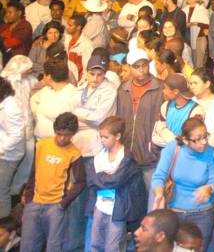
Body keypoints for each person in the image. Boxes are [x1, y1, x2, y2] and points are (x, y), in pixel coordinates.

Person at [150, 117, 214, 251]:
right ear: (185, 140)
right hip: (175, 214)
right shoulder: (173, 148)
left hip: (202, 215)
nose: (204, 142)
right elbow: (159, 176)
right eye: (197, 139)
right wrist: (159, 194)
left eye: (205, 136)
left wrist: (209, 188)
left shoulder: (211, 153)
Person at [20, 112, 85, 252]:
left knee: (54, 247)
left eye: (67, 135)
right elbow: (33, 172)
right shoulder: (42, 145)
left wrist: (63, 203)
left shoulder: (74, 153)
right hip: (34, 201)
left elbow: (81, 182)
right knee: (27, 246)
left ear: (73, 134)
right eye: (59, 134)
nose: (62, 138)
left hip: (56, 206)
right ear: (55, 130)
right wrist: (28, 196)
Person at [84, 115, 146, 252]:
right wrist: (108, 176)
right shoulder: (99, 156)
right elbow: (91, 180)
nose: (102, 140)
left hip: (117, 210)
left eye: (106, 137)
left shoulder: (127, 157)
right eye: (101, 137)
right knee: (95, 245)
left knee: (113, 247)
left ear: (117, 136)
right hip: (99, 206)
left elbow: (116, 181)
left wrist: (101, 177)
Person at [114, 47, 164, 186]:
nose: (141, 69)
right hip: (127, 155)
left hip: (151, 155)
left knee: (152, 194)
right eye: (136, 66)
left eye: (144, 65)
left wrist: (155, 147)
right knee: (130, 195)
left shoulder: (160, 88)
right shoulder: (123, 89)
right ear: (129, 67)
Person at [0, 76, 26, 219]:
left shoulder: (11, 107)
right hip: (5, 151)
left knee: (1, 190)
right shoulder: (5, 103)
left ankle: (3, 222)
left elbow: (16, 135)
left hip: (8, 155)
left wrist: (1, 149)